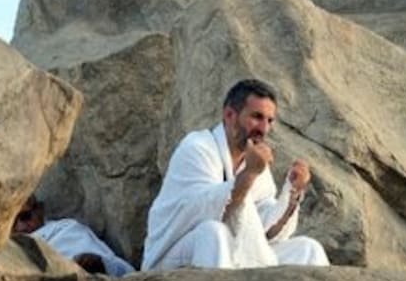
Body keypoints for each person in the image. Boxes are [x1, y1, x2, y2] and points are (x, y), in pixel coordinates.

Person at [141, 78, 330, 270]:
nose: (263, 129)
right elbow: (210, 213)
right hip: (171, 258)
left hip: (233, 255)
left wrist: (293, 192)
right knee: (213, 233)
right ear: (230, 115)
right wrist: (249, 173)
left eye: (269, 120)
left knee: (308, 249)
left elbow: (265, 232)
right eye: (256, 117)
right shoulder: (197, 148)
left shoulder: (254, 161)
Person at [13, 195, 136, 277]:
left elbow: (126, 274)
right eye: (12, 223)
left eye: (25, 217)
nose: (20, 227)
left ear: (39, 210)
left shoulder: (66, 230)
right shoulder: (4, 248)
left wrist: (100, 264)